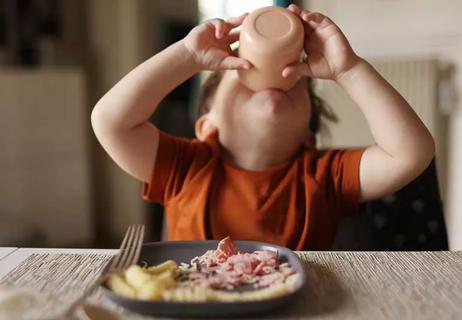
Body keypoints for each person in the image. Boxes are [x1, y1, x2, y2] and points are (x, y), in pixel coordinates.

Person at [91, 5, 435, 250]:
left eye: (295, 83)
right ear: (206, 125)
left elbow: (411, 154)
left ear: (308, 136)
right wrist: (187, 56)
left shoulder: (323, 175)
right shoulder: (186, 167)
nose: (273, 80)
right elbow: (110, 122)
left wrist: (348, 70)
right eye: (243, 75)